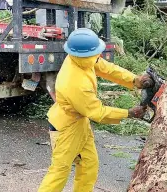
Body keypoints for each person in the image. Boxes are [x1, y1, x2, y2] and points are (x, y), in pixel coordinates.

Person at [38, 28, 152, 192]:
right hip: (66, 129)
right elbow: (98, 112)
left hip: (80, 124)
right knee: (59, 172)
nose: (98, 56)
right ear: (84, 55)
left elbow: (107, 68)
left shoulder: (80, 58)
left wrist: (135, 80)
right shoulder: (75, 83)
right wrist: (128, 113)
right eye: (95, 53)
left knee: (89, 165)